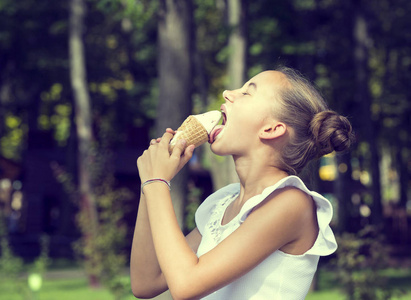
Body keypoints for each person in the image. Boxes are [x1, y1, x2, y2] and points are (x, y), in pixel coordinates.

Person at [130, 66, 355, 300]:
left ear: (272, 129)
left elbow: (186, 285)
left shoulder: (292, 203)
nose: (228, 92)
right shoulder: (224, 204)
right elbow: (146, 282)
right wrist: (149, 183)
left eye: (247, 93)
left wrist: (157, 182)